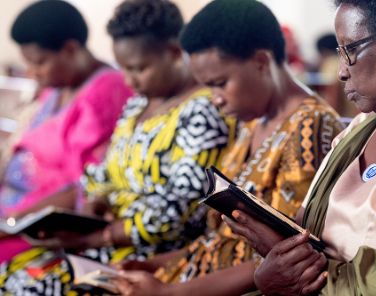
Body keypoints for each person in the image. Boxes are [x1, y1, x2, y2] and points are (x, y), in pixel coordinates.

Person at [0, 0, 235, 295]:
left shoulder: (203, 111)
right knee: (10, 275)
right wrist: (95, 201)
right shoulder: (139, 104)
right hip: (107, 238)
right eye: (123, 68)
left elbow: (177, 211)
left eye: (139, 68)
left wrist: (99, 237)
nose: (128, 80)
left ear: (174, 53)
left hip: (154, 253)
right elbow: (106, 170)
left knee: (30, 288)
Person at [111, 1, 343, 295]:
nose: (214, 99)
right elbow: (220, 240)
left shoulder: (310, 128)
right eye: (207, 86)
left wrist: (168, 292)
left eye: (219, 83)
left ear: (261, 61)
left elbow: (286, 257)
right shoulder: (253, 123)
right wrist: (156, 264)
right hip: (196, 275)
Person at [224, 0, 376, 295]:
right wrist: (278, 244)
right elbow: (305, 229)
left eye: (350, 50)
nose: (340, 71)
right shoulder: (364, 126)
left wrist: (283, 283)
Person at [0, 0, 131, 263]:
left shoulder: (106, 93)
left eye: (40, 62)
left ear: (70, 49)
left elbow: (84, 184)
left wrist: (10, 222)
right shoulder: (58, 86)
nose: (33, 73)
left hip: (41, 226)